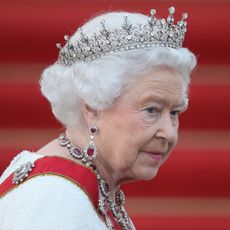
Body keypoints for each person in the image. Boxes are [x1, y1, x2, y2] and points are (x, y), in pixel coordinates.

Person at [0, 6, 196, 230]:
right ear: (93, 107)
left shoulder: (89, 187)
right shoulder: (54, 197)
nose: (169, 133)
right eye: (151, 110)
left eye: (174, 113)